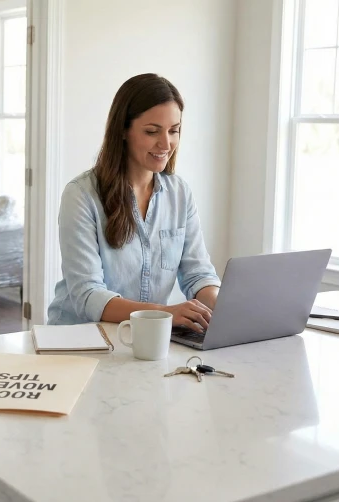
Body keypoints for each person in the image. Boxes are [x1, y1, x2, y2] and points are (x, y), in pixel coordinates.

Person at [47, 73, 221, 332]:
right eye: (152, 131)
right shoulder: (81, 195)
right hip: (78, 337)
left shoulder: (179, 193)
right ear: (123, 130)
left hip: (144, 338)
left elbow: (199, 275)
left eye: (174, 131)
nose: (166, 143)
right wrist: (165, 314)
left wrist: (225, 309)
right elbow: (88, 295)